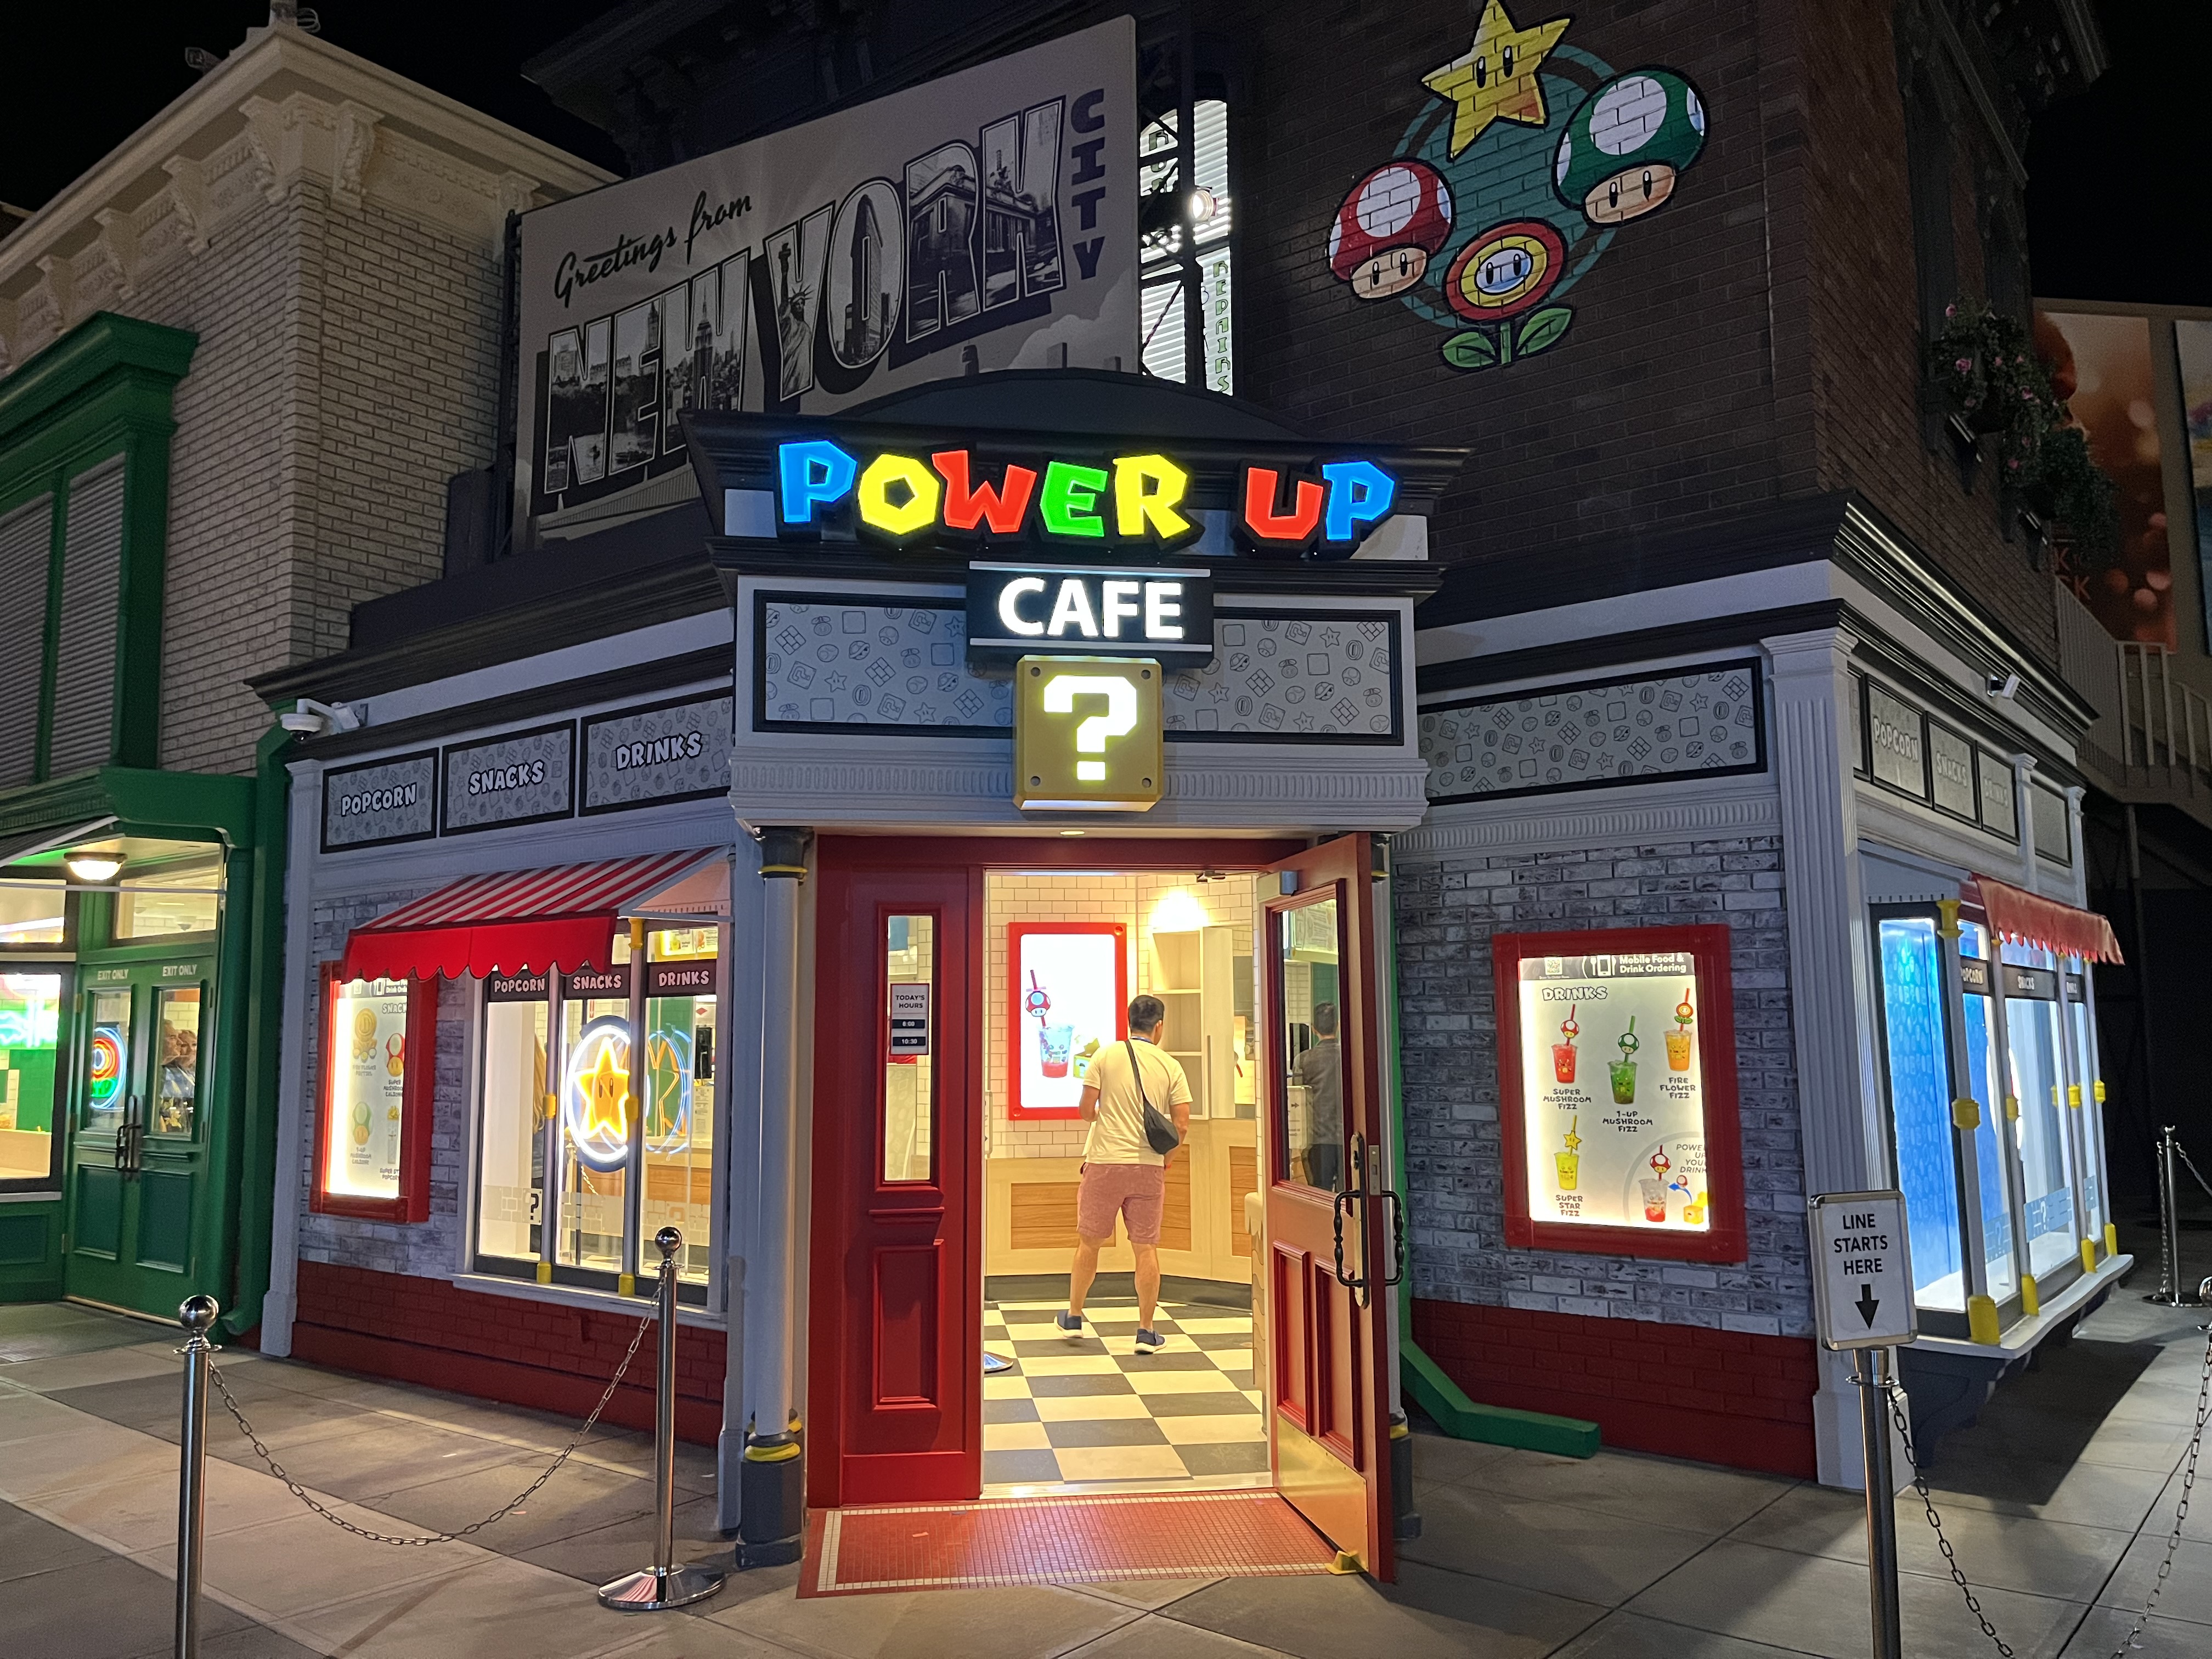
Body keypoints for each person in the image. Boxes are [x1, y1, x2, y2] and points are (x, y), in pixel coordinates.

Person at [1060, 994, 1191, 1352]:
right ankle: (1146, 1331)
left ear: (1128, 1021)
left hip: (1104, 1163)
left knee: (1089, 1243)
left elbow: (1086, 1110)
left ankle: (1074, 1317)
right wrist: (1167, 1160)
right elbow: (1181, 1125)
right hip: (1148, 1166)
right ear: (1159, 1026)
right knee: (1145, 1248)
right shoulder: (1171, 1066)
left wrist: (1104, 1116)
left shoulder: (1104, 1056)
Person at [1295, 1001, 1344, 1193]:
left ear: (1313, 1029)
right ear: (1338, 1025)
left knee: (1320, 1196)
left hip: (1317, 1138)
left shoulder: (1304, 1060)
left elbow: (1296, 1101)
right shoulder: (1349, 1056)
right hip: (1346, 1136)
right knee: (1349, 1196)